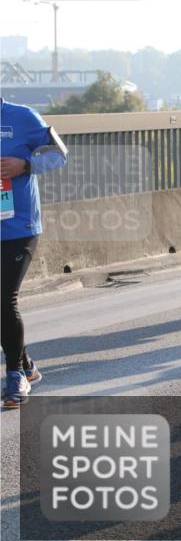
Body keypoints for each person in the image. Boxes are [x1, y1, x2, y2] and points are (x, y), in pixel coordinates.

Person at [1, 99, 68, 408]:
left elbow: (59, 155)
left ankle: (15, 374)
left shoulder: (22, 116)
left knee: (4, 297)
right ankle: (25, 362)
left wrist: (25, 165)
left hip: (19, 227)